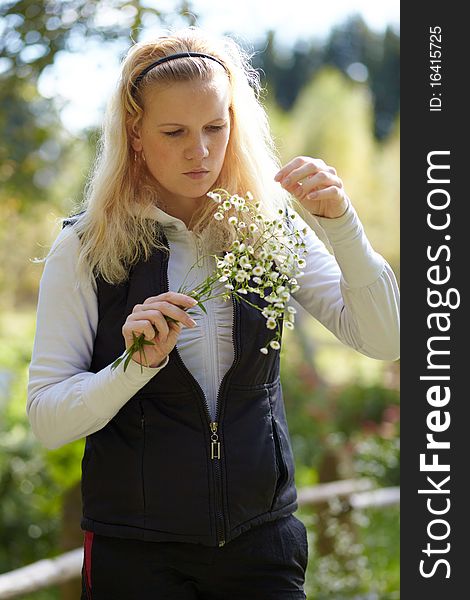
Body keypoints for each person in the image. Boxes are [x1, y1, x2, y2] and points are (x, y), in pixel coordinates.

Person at [27, 26, 400, 600]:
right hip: (136, 554)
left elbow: (385, 340)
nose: (199, 152)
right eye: (174, 132)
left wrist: (342, 225)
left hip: (262, 543)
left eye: (215, 128)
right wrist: (134, 367)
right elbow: (48, 420)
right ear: (136, 134)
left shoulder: (268, 229)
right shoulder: (85, 248)